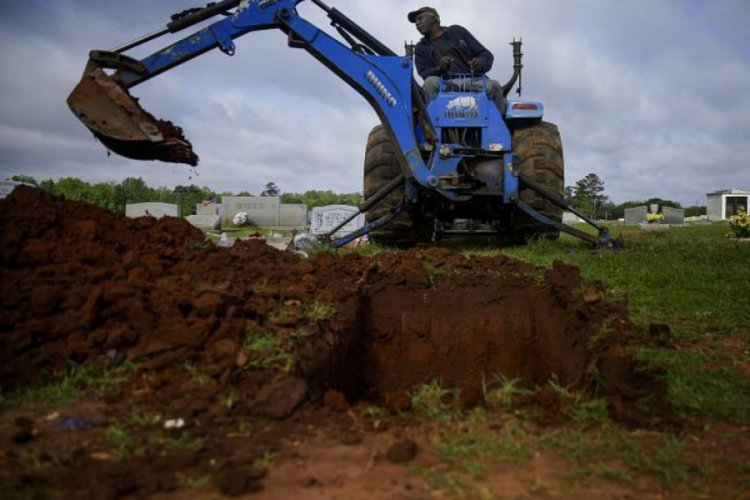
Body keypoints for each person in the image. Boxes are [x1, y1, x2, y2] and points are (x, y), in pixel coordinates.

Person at [408, 6, 505, 114]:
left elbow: (486, 55)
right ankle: (434, 126)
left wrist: (480, 62)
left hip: (473, 80)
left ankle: (499, 125)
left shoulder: (456, 31)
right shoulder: (421, 48)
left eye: (420, 18)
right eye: (415, 21)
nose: (417, 23)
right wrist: (439, 69)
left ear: (433, 18)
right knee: (429, 83)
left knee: (494, 86)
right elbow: (424, 73)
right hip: (444, 83)